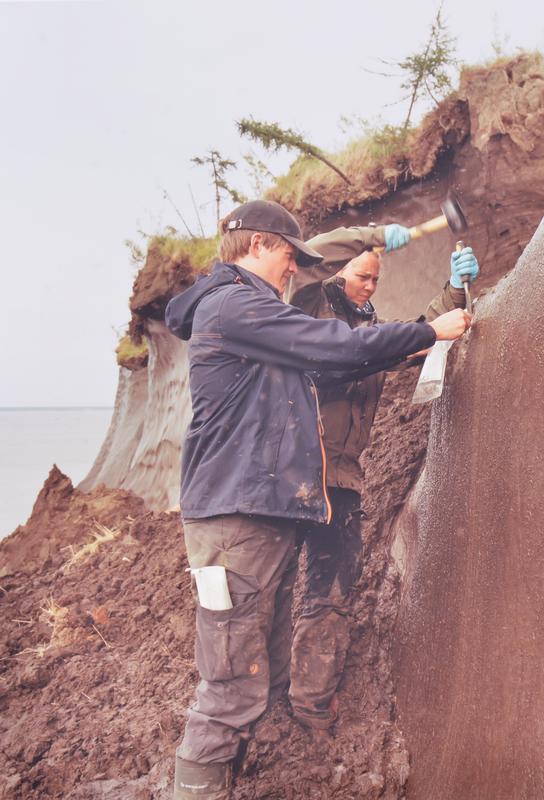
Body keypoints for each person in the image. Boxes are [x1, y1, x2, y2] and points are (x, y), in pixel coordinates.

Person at [164, 200, 470, 800]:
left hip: (259, 515)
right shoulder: (237, 306)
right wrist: (429, 327)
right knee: (231, 688)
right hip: (235, 519)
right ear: (256, 247)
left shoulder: (247, 308)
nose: (291, 270)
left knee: (260, 672)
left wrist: (444, 301)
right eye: (285, 255)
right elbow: (334, 341)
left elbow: (358, 341)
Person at [286, 222, 479, 731]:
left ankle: (308, 708)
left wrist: (456, 290)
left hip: (340, 482)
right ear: (338, 273)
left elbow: (414, 336)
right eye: (362, 276)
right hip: (288, 476)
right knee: (271, 586)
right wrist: (374, 234)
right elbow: (312, 257)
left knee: (329, 593)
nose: (370, 286)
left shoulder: (367, 334)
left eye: (376, 280)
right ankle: (257, 701)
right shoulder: (306, 309)